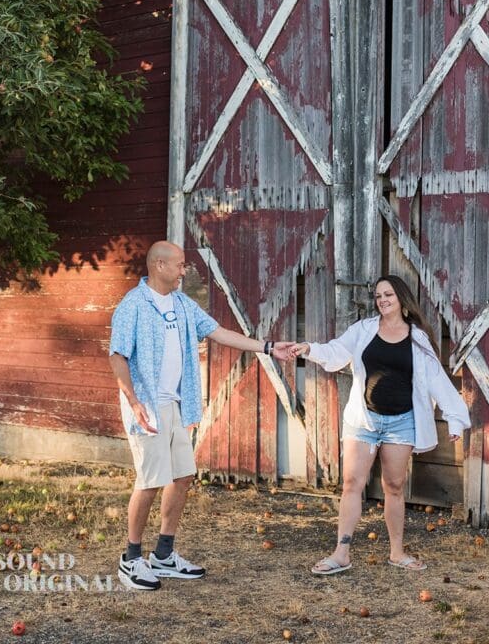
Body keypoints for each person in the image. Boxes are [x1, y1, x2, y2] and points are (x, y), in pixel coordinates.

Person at [109, 240, 291, 590]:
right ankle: (131, 559)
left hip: (176, 404)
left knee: (182, 476)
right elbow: (117, 356)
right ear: (159, 266)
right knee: (149, 480)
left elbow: (219, 332)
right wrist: (134, 401)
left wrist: (267, 348)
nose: (184, 271)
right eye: (179, 265)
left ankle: (163, 554)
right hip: (146, 404)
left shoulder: (181, 303)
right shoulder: (133, 305)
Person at [287, 274, 470, 575]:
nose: (382, 300)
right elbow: (336, 351)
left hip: (402, 422)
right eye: (378, 296)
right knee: (351, 484)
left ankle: (397, 553)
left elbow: (437, 380)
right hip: (364, 420)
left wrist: (454, 419)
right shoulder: (364, 330)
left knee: (394, 487)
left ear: (402, 300)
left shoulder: (417, 339)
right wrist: (309, 348)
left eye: (389, 295)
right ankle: (341, 553)